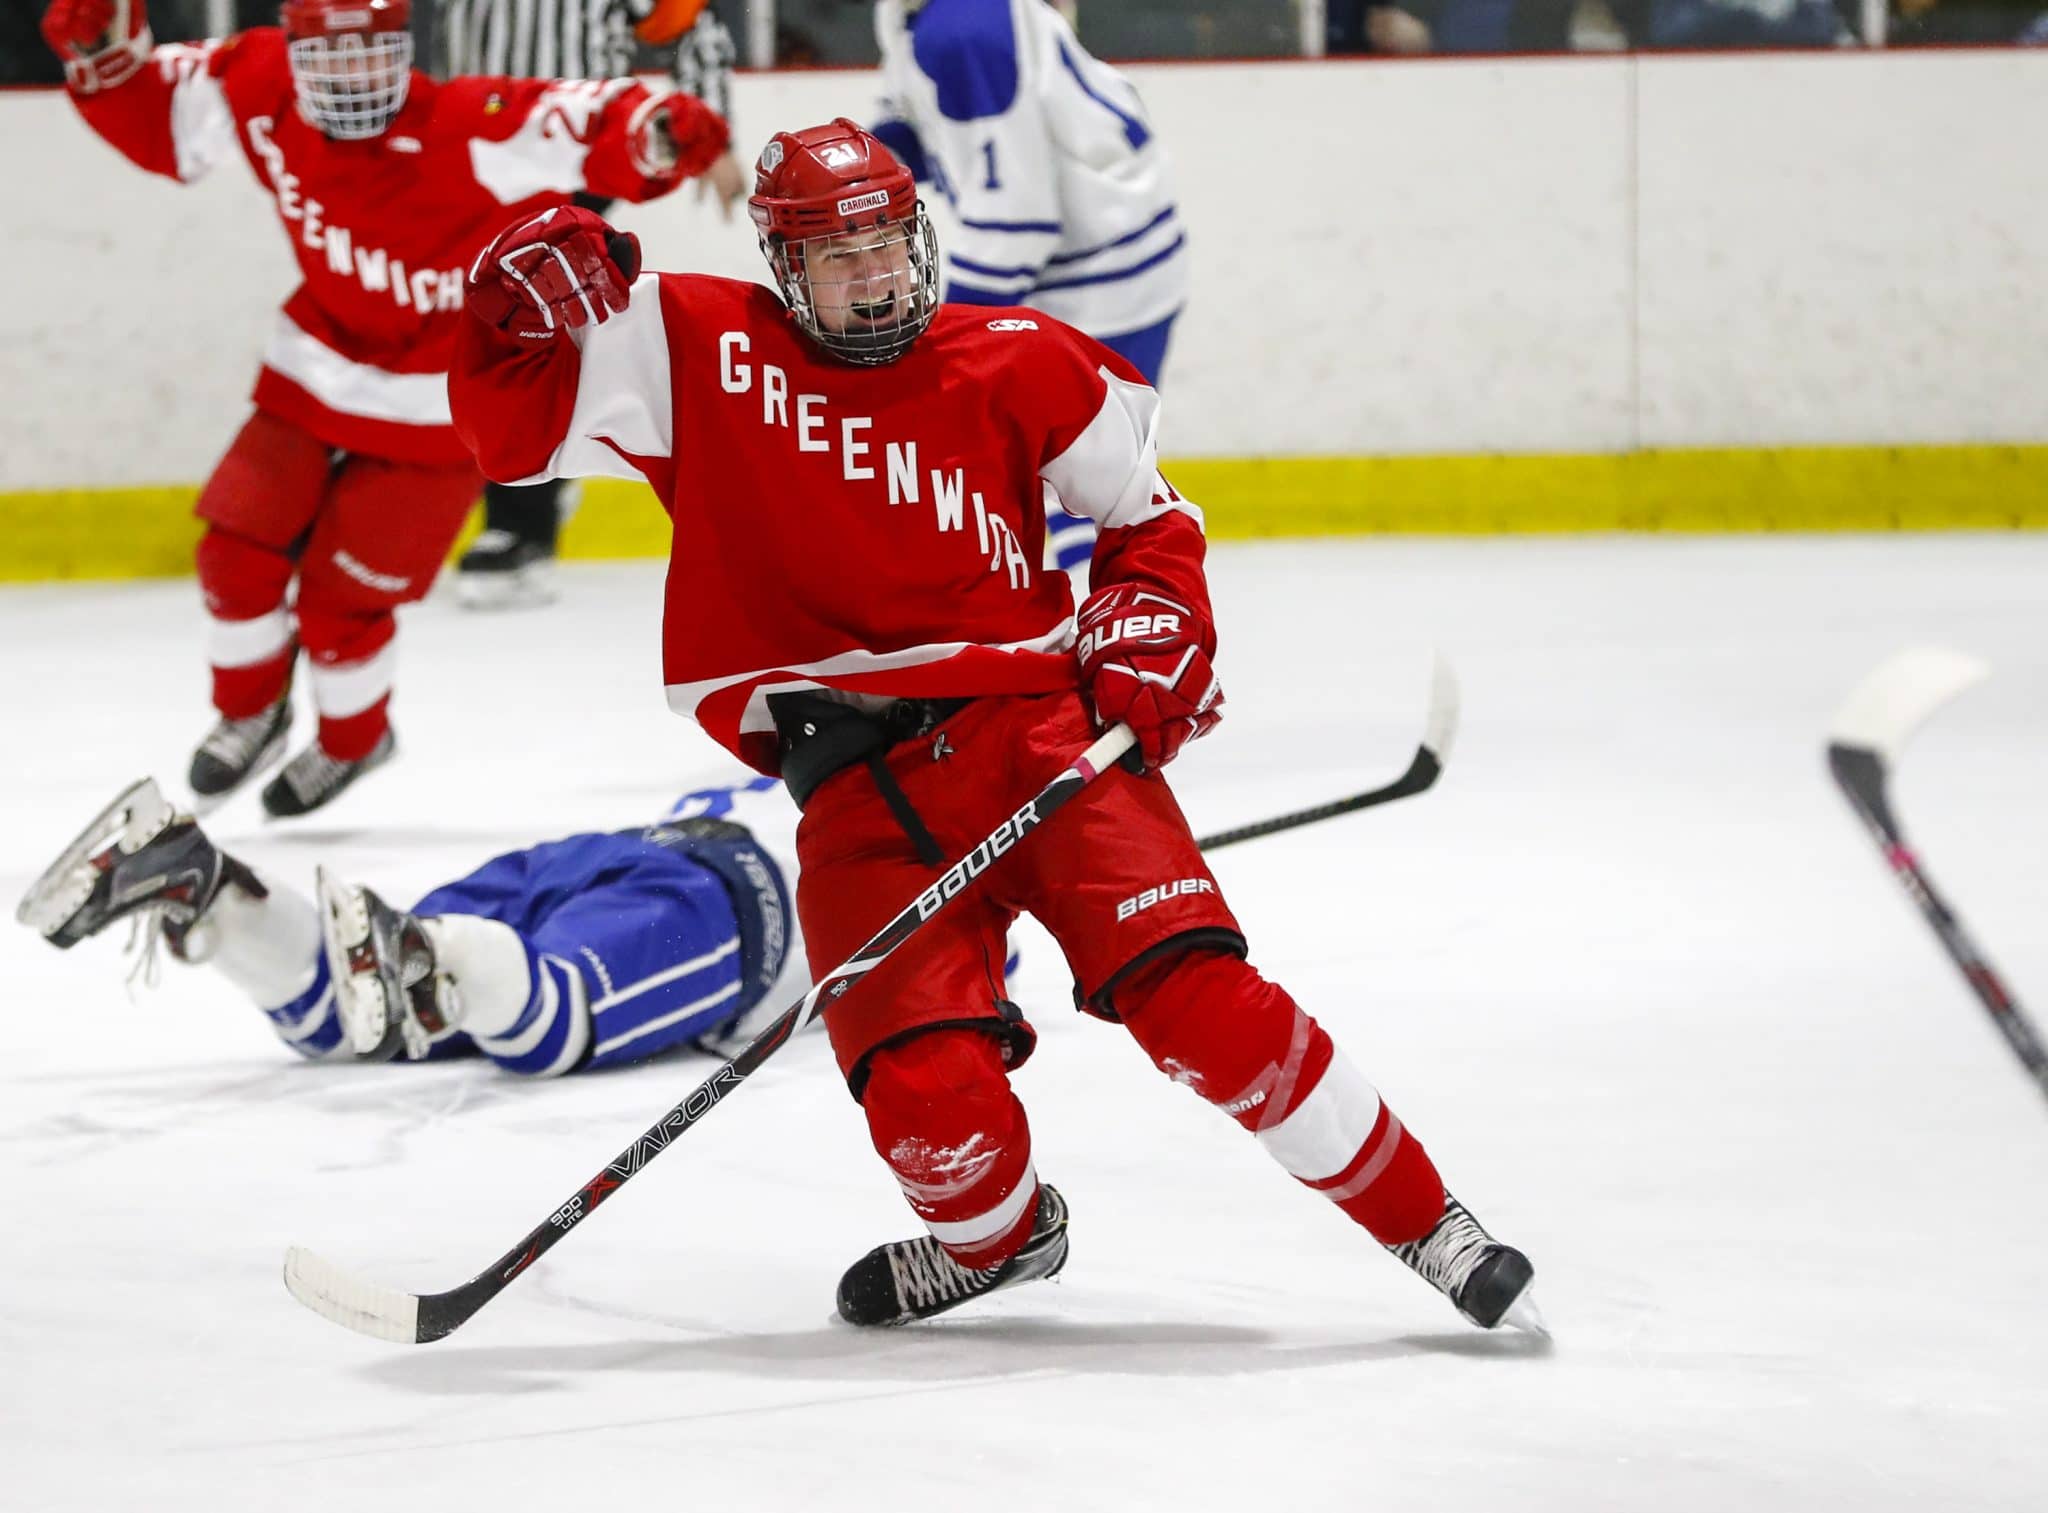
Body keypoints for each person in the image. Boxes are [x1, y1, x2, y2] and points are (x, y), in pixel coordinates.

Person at [445, 119, 1539, 1332]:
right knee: (925, 1103)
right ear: (783, 265)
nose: (873, 278)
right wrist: (500, 305)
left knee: (1203, 1007)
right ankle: (997, 1244)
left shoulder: (1018, 357)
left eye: (886, 245)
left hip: (1040, 737)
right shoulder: (690, 344)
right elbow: (505, 431)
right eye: (837, 256)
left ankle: (1428, 1222)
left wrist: (1153, 616)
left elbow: (1147, 519)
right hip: (855, 786)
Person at [39, 0, 728, 816]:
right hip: (316, 366)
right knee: (233, 553)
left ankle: (354, 737)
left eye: (371, 52)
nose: (354, 78)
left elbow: (580, 117)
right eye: (331, 57)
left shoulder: (464, 123)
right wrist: (101, 57)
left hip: (440, 403)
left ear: (405, 46)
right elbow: (163, 111)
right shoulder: (259, 82)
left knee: (342, 605)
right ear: (295, 53)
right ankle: (249, 709)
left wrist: (660, 130)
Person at [18, 774, 803, 1073]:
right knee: (551, 1018)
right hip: (734, 891)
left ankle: (206, 884)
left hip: (610, 850)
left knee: (356, 1014)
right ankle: (438, 952)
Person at [429, 0, 749, 607]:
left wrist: (709, 133)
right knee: (487, 313)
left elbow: (689, 22)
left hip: (579, 149)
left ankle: (522, 519)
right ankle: (535, 487)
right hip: (476, 147)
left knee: (532, 299)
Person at [870, 0, 1187, 578]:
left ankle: (1124, 622)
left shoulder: (964, 29)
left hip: (1100, 282)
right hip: (1107, 259)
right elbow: (920, 124)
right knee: (1062, 476)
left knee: (1080, 479)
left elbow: (1017, 224)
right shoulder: (924, 16)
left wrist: (940, 347)